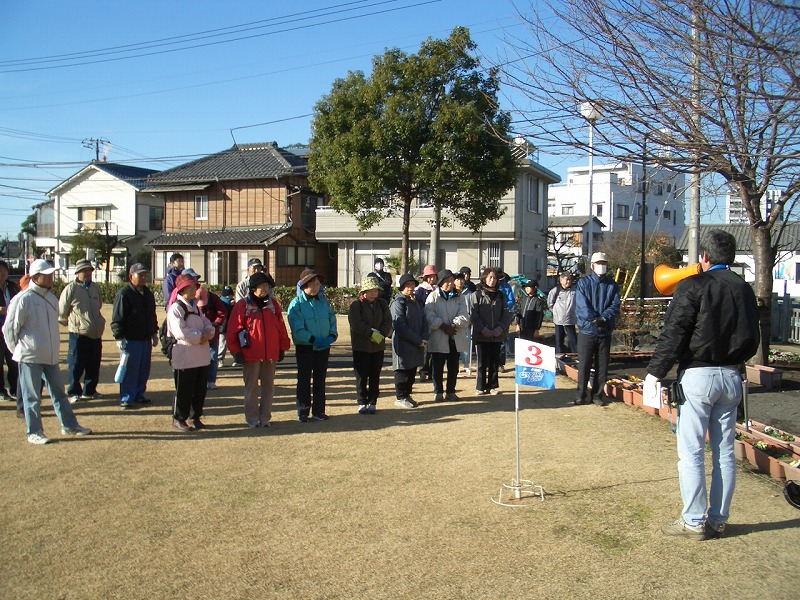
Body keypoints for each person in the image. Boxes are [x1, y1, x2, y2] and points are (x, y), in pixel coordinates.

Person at [646, 230, 759, 540]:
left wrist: (655, 373)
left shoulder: (692, 286)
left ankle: (694, 521)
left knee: (692, 452)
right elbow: (752, 337)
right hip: (732, 375)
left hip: (698, 375)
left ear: (704, 258)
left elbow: (675, 333)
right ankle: (718, 520)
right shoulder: (744, 290)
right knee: (724, 453)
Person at [3, 259, 91, 444]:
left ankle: (69, 425)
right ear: (36, 277)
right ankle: (34, 432)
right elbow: (9, 329)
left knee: (59, 392)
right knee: (32, 396)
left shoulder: (51, 298)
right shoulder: (23, 299)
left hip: (50, 357)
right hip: (30, 357)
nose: (51, 277)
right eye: (47, 274)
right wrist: (18, 351)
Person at [227, 272, 290, 428]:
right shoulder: (243, 305)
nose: (265, 289)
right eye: (262, 286)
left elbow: (281, 327)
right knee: (251, 388)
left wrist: (283, 347)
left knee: (269, 387)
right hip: (250, 354)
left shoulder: (273, 304)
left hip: (270, 353)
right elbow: (233, 329)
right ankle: (252, 418)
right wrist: (236, 351)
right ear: (253, 288)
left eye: (267, 286)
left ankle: (265, 418)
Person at [288, 269, 337, 422]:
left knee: (320, 379)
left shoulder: (323, 302)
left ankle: (319, 411)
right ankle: (303, 411)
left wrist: (331, 335)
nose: (315, 287)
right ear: (303, 286)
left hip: (323, 347)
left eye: (317, 283)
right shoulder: (297, 304)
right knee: (304, 379)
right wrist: (312, 339)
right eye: (311, 284)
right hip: (306, 347)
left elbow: (332, 320)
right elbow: (297, 329)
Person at [168, 274, 216, 432]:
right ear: (181, 290)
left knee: (199, 390)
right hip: (185, 356)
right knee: (184, 389)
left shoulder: (195, 308)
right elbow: (179, 332)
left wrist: (209, 332)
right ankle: (179, 418)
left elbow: (207, 323)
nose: (194, 289)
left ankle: (195, 416)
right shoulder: (176, 308)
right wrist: (200, 336)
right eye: (190, 287)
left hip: (201, 357)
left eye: (194, 286)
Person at [575, 252, 621, 407]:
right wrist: (594, 319)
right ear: (592, 265)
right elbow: (582, 305)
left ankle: (597, 395)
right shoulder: (583, 283)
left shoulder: (612, 285)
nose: (602, 266)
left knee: (602, 366)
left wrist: (604, 318)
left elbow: (615, 305)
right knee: (584, 364)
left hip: (604, 330)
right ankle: (581, 394)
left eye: (604, 263)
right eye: (599, 263)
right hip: (587, 330)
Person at [111, 263, 159, 410]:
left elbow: (152, 315)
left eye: (145, 275)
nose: (144, 278)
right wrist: (119, 337)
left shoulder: (148, 294)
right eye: (140, 275)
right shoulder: (124, 294)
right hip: (131, 340)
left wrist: (154, 332)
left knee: (143, 369)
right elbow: (117, 318)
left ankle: (139, 394)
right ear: (131, 277)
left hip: (145, 338)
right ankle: (127, 397)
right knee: (130, 369)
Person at [58, 258, 105, 403]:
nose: (87, 273)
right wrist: (70, 323)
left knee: (94, 364)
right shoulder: (70, 289)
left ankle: (90, 391)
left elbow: (99, 305)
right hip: (78, 333)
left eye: (89, 270)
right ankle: (73, 392)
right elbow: (62, 311)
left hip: (96, 333)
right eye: (84, 271)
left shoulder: (95, 287)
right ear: (77, 273)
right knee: (76, 364)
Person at [348, 276, 392, 414]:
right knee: (361, 376)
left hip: (378, 347)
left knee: (375, 375)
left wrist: (382, 334)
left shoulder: (382, 304)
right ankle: (361, 401)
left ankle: (373, 401)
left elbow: (387, 321)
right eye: (371, 291)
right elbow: (356, 324)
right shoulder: (356, 305)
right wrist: (370, 333)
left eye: (376, 291)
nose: (374, 293)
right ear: (364, 292)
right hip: (361, 346)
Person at [425, 269, 469, 402]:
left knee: (453, 367)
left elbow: (464, 315)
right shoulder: (433, 296)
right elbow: (429, 315)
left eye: (452, 281)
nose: (450, 284)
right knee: (437, 366)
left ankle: (451, 391)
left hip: (454, 336)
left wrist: (454, 325)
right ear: (440, 283)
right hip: (439, 335)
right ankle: (438, 391)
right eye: (447, 281)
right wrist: (443, 326)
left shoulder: (460, 296)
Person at [471, 267, 513, 395]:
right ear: (484, 278)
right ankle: (480, 386)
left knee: (495, 362)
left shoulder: (501, 295)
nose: (492, 280)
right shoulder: (476, 294)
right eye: (489, 277)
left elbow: (507, 314)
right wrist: (483, 329)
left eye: (494, 277)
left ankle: (493, 386)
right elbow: (473, 314)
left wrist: (500, 327)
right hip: (481, 335)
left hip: (497, 334)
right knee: (482, 363)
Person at [391, 274, 429, 408]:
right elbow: (400, 325)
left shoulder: (416, 301)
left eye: (412, 284)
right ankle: (400, 397)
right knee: (403, 370)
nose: (411, 287)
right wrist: (417, 339)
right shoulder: (398, 302)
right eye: (407, 285)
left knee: (412, 369)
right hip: (403, 342)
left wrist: (424, 336)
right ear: (402, 287)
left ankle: (407, 395)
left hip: (417, 342)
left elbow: (424, 319)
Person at [0, 260, 21, 402]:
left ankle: (15, 389)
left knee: (14, 361)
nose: (2, 274)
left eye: (4, 271)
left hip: (12, 330)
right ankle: (1, 391)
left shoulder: (12, 287)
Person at [415, 264, 437, 379]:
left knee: (435, 347)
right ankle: (423, 371)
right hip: (424, 322)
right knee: (425, 348)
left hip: (436, 322)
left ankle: (433, 371)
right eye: (429, 276)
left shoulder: (438, 289)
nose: (431, 279)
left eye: (433, 276)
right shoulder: (420, 290)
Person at [548, 272, 578, 355]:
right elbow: (550, 303)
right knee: (559, 340)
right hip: (559, 320)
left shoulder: (575, 290)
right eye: (567, 280)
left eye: (570, 280)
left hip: (570, 319)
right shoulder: (555, 290)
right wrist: (556, 312)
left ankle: (575, 356)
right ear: (561, 280)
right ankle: (559, 356)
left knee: (573, 340)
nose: (568, 282)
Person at [454, 272, 473, 373]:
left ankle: (466, 364)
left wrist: (471, 320)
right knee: (454, 344)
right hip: (453, 322)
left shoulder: (468, 293)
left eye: (461, 279)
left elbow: (471, 308)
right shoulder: (452, 293)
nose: (460, 281)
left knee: (466, 342)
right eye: (457, 279)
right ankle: (455, 364)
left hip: (466, 322)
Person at [498, 272, 516, 371]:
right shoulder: (488, 286)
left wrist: (502, 306)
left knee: (502, 340)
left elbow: (511, 300)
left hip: (503, 315)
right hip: (489, 315)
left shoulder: (506, 286)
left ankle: (500, 363)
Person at [216, 285, 234, 368]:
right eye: (226, 296)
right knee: (222, 343)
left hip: (232, 327)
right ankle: (219, 359)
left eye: (230, 296)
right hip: (223, 327)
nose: (228, 298)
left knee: (233, 343)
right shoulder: (221, 303)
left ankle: (237, 359)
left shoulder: (234, 304)